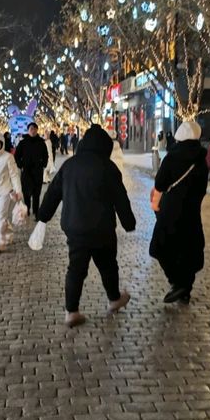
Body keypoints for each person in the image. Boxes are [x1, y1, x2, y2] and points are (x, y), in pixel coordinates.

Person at [38, 124, 135, 327]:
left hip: (75, 228)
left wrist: (43, 216)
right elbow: (120, 198)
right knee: (108, 265)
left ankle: (71, 311)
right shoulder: (108, 167)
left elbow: (53, 193)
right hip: (102, 229)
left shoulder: (70, 165)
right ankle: (114, 298)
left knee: (75, 269)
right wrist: (128, 222)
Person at [150, 121, 208, 305]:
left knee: (160, 247)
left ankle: (176, 282)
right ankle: (185, 288)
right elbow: (202, 188)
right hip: (192, 210)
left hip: (170, 210)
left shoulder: (172, 157)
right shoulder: (201, 159)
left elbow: (160, 183)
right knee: (188, 248)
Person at [15, 122, 48, 218]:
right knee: (26, 193)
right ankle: (27, 209)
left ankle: (36, 211)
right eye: (31, 129)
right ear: (28, 130)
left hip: (37, 171)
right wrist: (20, 165)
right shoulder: (23, 142)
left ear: (37, 130)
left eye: (34, 129)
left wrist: (43, 164)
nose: (33, 131)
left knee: (37, 193)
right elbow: (17, 155)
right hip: (26, 171)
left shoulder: (41, 142)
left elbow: (45, 155)